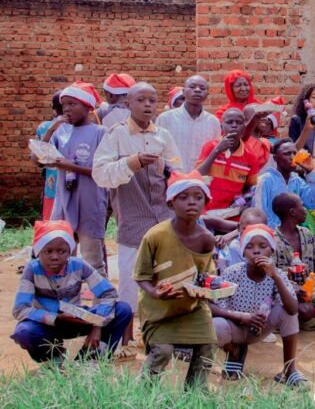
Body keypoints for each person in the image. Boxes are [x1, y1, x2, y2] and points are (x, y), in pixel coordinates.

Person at [92, 82, 182, 355]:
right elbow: (100, 173)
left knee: (166, 274)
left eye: (152, 101)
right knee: (132, 279)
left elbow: (178, 169)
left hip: (164, 216)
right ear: (127, 105)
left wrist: (167, 168)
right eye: (140, 100)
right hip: (132, 216)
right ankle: (127, 339)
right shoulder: (116, 135)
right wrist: (132, 162)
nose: (147, 105)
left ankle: (158, 334)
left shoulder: (163, 135)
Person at [134, 171, 217, 389]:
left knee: (208, 345)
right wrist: (155, 293)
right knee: (163, 350)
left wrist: (207, 288)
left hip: (192, 306)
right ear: (171, 204)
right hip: (159, 308)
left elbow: (207, 275)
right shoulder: (155, 236)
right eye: (184, 197)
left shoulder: (206, 238)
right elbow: (141, 276)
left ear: (205, 203)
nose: (192, 202)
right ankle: (143, 392)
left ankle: (196, 393)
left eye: (198, 197)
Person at [11, 220, 132, 367]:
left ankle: (91, 356)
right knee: (24, 332)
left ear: (69, 252)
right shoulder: (32, 270)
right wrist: (55, 318)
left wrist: (96, 325)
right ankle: (53, 359)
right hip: (47, 324)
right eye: (48, 251)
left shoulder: (79, 265)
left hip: (77, 320)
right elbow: (20, 308)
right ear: (38, 252)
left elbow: (108, 294)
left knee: (123, 310)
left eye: (61, 251)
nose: (55, 257)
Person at [210, 224, 305, 386]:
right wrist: (241, 317)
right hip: (235, 328)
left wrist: (275, 276)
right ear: (242, 252)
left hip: (261, 328)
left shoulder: (278, 275)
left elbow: (293, 309)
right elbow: (214, 308)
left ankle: (289, 369)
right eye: (249, 247)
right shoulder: (233, 272)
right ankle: (234, 352)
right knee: (214, 324)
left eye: (263, 246)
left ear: (272, 251)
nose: (256, 251)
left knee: (287, 313)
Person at [42, 82, 109, 276]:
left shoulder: (100, 133)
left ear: (88, 107)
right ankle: (67, 300)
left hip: (90, 202)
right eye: (64, 105)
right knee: (62, 254)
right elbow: (39, 157)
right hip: (63, 201)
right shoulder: (61, 133)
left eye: (72, 104)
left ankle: (102, 302)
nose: (67, 109)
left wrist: (67, 166)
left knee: (92, 259)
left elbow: (100, 171)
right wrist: (50, 130)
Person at [196, 108, 259, 211]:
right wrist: (217, 150)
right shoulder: (210, 147)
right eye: (229, 122)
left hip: (232, 214)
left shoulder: (250, 156)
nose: (234, 125)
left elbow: (251, 189)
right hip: (206, 211)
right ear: (222, 125)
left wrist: (240, 201)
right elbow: (198, 175)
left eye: (238, 123)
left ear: (244, 127)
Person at [156, 75, 221, 175]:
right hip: (171, 180)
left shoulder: (213, 122)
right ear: (183, 92)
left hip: (201, 181)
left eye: (202, 88)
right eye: (192, 87)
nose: (197, 90)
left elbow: (214, 154)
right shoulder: (165, 119)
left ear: (207, 94)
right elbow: (158, 152)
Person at [253, 139, 315, 229]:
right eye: (287, 154)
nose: (292, 157)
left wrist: (311, 172)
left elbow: (313, 203)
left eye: (294, 153)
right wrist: (278, 234)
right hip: (272, 234)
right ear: (275, 158)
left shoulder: (297, 181)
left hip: (294, 233)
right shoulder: (265, 181)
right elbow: (260, 213)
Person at [35, 90, 63, 220]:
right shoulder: (82, 127)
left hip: (52, 185)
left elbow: (36, 160)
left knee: (51, 227)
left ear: (53, 109)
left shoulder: (44, 127)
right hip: (72, 187)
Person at [216, 207, 267, 272]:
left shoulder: (267, 245)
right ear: (238, 227)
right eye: (246, 229)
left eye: (256, 230)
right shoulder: (234, 247)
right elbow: (236, 274)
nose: (250, 233)